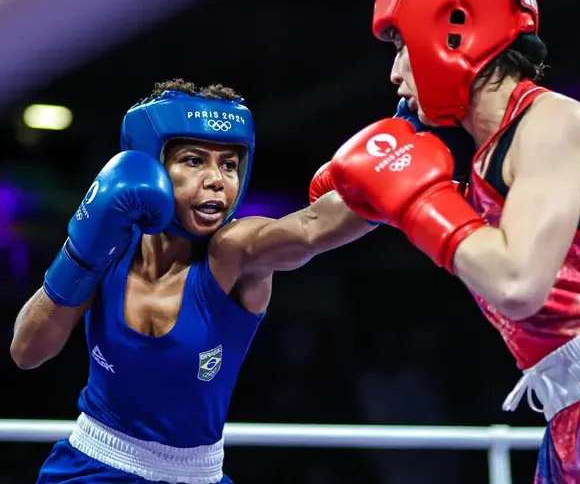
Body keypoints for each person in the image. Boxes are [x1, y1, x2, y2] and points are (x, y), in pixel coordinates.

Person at [326, 0, 580, 483]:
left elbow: (518, 283)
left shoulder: (553, 123)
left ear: (455, 37)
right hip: (570, 413)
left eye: (402, 45)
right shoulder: (472, 169)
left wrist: (419, 204)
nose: (394, 71)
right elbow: (316, 229)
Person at [10, 78, 374, 484]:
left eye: (230, 164)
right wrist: (79, 255)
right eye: (195, 160)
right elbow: (27, 352)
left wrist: (409, 163)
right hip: (90, 466)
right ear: (150, 164)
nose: (217, 179)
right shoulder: (109, 244)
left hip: (196, 475)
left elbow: (312, 227)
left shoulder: (234, 252)